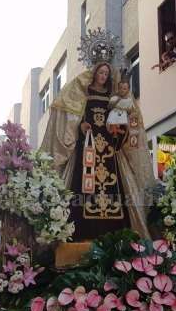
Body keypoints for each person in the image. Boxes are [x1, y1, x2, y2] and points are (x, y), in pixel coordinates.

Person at [40, 58, 156, 241]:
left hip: (110, 147)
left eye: (106, 74)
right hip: (88, 145)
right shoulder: (84, 94)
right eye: (101, 73)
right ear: (94, 73)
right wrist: (81, 126)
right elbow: (75, 118)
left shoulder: (113, 96)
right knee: (83, 186)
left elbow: (121, 117)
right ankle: (81, 233)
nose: (103, 76)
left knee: (115, 188)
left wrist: (118, 130)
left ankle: (117, 235)